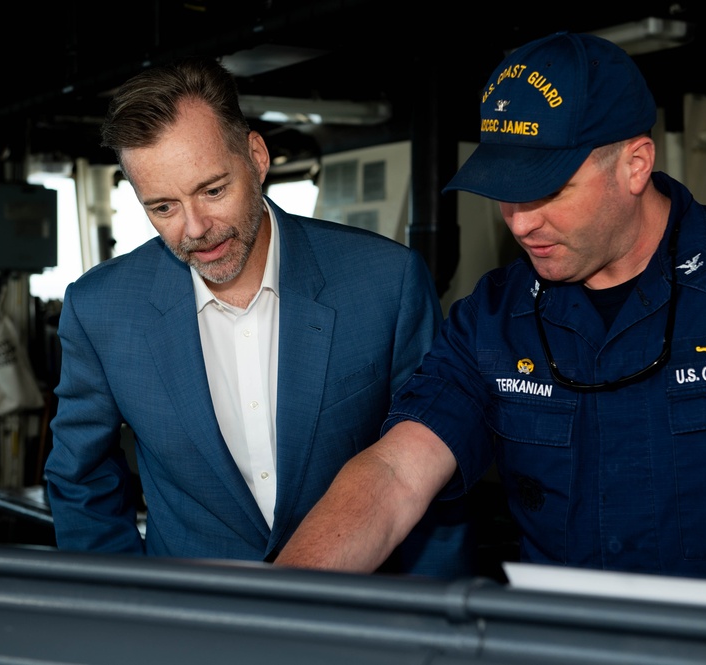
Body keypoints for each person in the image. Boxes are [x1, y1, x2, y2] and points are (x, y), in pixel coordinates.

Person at [275, 32, 706, 618]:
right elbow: (393, 473)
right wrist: (275, 612)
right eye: (505, 191)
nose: (520, 222)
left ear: (634, 165)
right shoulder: (493, 317)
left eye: (549, 190)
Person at [44, 58, 469, 575]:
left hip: (354, 625)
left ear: (256, 156)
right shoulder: (100, 309)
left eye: (213, 190)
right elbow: (80, 480)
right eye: (163, 208)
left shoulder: (387, 282)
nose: (195, 228)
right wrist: (127, 614)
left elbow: (435, 479)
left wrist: (421, 632)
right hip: (190, 630)